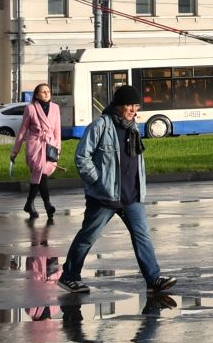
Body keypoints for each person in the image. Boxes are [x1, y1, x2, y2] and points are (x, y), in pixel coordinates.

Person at [56, 85, 176, 296]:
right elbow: (82, 157)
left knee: (143, 237)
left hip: (132, 195)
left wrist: (140, 187)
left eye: (136, 105)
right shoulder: (101, 125)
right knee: (87, 237)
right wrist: (98, 181)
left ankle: (153, 279)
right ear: (118, 105)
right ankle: (69, 277)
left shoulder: (133, 127)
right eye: (129, 105)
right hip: (104, 196)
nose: (133, 109)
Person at [12, 82, 64, 221]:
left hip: (49, 145)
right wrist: (15, 151)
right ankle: (48, 205)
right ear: (36, 94)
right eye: (43, 92)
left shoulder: (55, 108)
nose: (47, 94)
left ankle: (29, 204)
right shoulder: (31, 109)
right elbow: (23, 131)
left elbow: (57, 130)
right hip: (35, 146)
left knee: (41, 174)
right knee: (40, 171)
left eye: (48, 91)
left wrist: (58, 148)